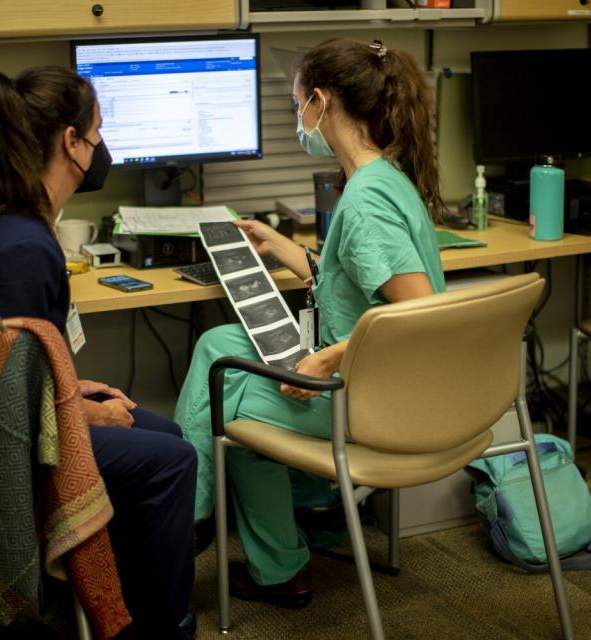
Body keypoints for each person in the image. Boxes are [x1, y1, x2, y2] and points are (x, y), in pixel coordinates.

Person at [173, 38, 448, 607]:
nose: (298, 118)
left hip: (370, 401)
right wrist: (279, 246)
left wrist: (328, 356)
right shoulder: (382, 178)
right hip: (396, 386)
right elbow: (351, 278)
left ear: (321, 102)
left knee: (222, 395)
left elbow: (421, 316)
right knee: (218, 341)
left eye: (298, 104)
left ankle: (200, 529)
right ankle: (294, 517)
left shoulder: (366, 201)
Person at [0, 66, 197, 640]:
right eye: (97, 133)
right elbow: (10, 408)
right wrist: (81, 414)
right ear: (70, 142)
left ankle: (121, 604)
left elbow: (23, 370)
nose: (102, 148)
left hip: (1, 420)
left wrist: (74, 392)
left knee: (164, 436)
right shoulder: (22, 250)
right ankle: (160, 627)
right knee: (172, 461)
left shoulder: (0, 218)